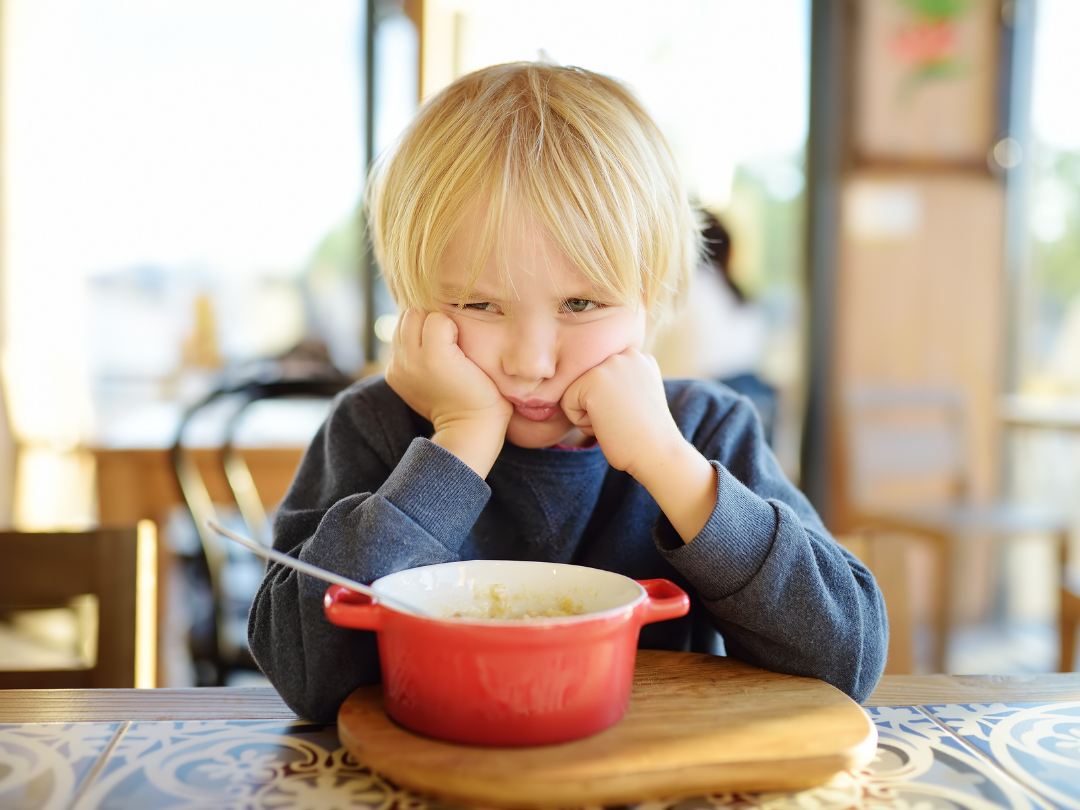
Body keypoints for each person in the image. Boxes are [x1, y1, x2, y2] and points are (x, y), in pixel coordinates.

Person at [248, 62, 887, 722]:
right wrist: (459, 441)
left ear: (652, 295)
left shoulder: (703, 430)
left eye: (580, 303)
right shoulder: (373, 427)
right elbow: (304, 676)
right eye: (479, 303)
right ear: (414, 300)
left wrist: (671, 467)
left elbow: (847, 660)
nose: (530, 362)